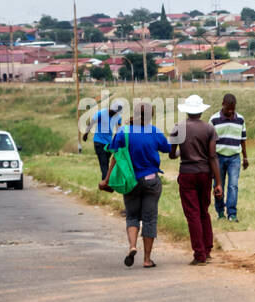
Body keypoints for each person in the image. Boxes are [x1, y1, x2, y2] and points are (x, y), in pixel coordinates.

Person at [99, 101, 173, 268]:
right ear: (151, 115)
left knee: (132, 216)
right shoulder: (154, 132)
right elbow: (168, 149)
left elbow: (115, 156)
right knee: (149, 219)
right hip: (151, 181)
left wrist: (107, 179)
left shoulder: (123, 132)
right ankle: (147, 259)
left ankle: (132, 246)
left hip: (131, 181)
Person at [169, 94, 222, 264]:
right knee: (203, 211)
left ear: (186, 111)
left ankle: (198, 254)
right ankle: (207, 249)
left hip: (187, 173)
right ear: (200, 111)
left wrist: (179, 152)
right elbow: (213, 156)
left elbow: (171, 154)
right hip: (205, 174)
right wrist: (218, 182)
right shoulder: (209, 129)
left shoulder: (178, 128)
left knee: (192, 214)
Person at [211, 94, 248, 222]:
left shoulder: (240, 119)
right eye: (228, 109)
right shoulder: (214, 120)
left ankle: (232, 213)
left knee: (233, 186)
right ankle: (220, 212)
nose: (230, 112)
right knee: (218, 185)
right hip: (218, 158)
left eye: (233, 109)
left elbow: (243, 140)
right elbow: (210, 142)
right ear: (223, 104)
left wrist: (245, 158)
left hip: (234, 158)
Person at [88, 95, 127, 191]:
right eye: (114, 112)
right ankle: (106, 183)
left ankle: (106, 181)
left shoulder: (118, 117)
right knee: (103, 162)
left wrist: (119, 141)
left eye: (116, 112)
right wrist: (86, 133)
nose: (115, 114)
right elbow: (92, 122)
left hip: (109, 144)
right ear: (111, 108)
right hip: (98, 141)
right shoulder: (101, 113)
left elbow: (118, 129)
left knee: (108, 162)